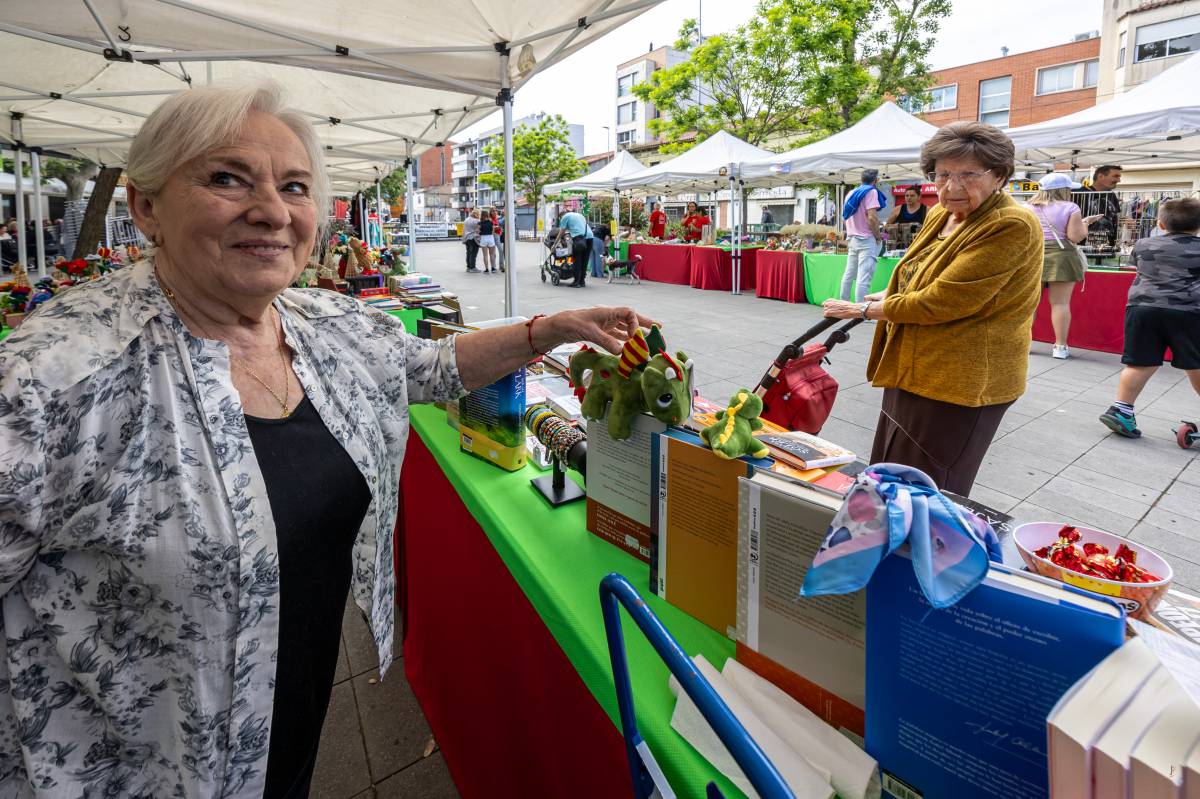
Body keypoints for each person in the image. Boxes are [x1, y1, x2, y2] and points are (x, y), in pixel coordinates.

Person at [0, 82, 654, 799]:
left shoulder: (322, 323)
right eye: (227, 178)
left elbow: (433, 365)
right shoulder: (48, 379)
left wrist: (547, 331)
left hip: (286, 736)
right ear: (146, 206)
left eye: (295, 186)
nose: (272, 211)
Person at [822, 121, 1043, 495]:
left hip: (959, 379)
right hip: (915, 367)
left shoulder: (1010, 223)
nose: (953, 187)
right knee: (891, 472)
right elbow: (916, 269)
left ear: (1000, 176)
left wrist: (862, 311)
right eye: (942, 175)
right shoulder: (944, 213)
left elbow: (945, 299)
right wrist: (884, 296)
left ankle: (921, 550)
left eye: (969, 175)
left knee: (927, 485)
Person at [1098, 197, 1200, 439]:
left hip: (1142, 308)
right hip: (1188, 312)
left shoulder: (1143, 244)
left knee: (1140, 363)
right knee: (1196, 364)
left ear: (1161, 224)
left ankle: (1122, 410)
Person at [1023, 173, 1101, 360]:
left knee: (1029, 305)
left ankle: (1024, 345)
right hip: (1061, 256)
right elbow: (1075, 237)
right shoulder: (1070, 207)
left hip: (1032, 255)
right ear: (1064, 190)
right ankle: (1060, 347)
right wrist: (1085, 224)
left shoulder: (1025, 207)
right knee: (1060, 304)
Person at [839, 169, 886, 302]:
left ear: (861, 179)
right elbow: (872, 218)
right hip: (866, 239)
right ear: (876, 180)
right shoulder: (871, 192)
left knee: (849, 274)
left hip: (852, 237)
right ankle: (860, 310)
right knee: (864, 276)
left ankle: (843, 303)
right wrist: (878, 237)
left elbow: (845, 217)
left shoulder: (851, 193)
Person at [1078, 164, 1123, 248]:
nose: (1118, 180)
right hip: (1083, 246)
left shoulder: (1111, 195)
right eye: (1115, 176)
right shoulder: (1079, 193)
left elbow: (1115, 217)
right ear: (1100, 176)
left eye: (1119, 177)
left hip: (1107, 245)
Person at [558, 208, 593, 287]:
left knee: (577, 260)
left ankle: (576, 282)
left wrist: (556, 243)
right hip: (590, 237)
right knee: (585, 260)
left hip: (579, 239)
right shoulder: (579, 215)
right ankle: (582, 281)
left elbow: (561, 231)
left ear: (561, 216)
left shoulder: (565, 217)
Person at [478, 207, 497, 272]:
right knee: (492, 254)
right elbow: (493, 231)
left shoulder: (480, 223)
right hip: (490, 238)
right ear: (487, 215)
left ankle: (486, 269)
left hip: (483, 238)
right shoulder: (491, 222)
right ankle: (493, 268)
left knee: (485, 255)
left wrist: (481, 232)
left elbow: (477, 232)